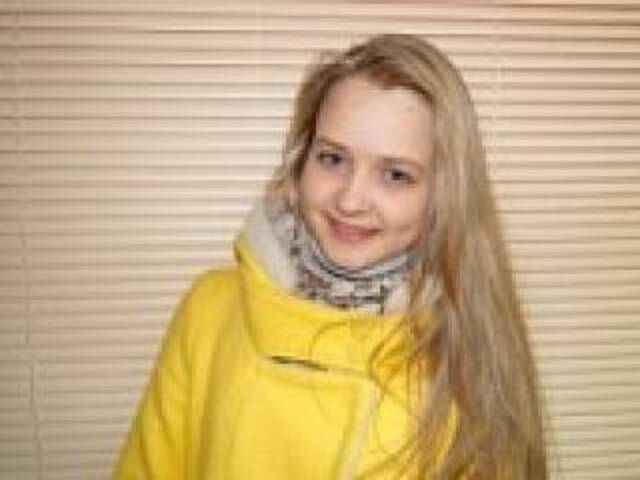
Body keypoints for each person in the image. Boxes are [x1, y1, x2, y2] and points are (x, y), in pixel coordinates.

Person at [112, 34, 547, 479]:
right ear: (302, 160)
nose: (351, 200)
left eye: (396, 175)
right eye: (333, 159)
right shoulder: (211, 308)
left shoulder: (469, 343)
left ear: (445, 193)